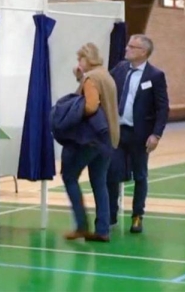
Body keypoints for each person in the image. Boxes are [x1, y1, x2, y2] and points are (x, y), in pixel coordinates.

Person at [107, 34, 169, 233]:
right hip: (118, 132)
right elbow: (103, 85)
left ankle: (137, 215)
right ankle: (111, 213)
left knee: (140, 175)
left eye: (132, 47)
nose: (127, 49)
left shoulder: (155, 76)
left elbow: (162, 108)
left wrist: (156, 135)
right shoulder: (120, 69)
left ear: (143, 52)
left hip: (140, 135)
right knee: (112, 173)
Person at [59, 43, 120, 242]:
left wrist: (73, 113)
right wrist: (80, 78)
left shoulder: (91, 78)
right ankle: (103, 228)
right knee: (99, 182)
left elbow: (92, 105)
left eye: (80, 59)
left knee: (69, 176)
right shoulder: (106, 76)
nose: (78, 63)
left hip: (91, 139)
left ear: (87, 59)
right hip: (109, 138)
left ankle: (81, 225)